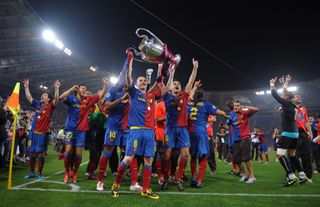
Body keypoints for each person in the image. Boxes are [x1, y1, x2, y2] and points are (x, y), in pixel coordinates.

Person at [110, 52, 170, 199]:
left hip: (150, 132)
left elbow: (162, 85)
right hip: (136, 131)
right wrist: (130, 59)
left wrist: (167, 68)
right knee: (129, 158)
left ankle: (146, 189)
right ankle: (115, 185)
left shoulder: (151, 95)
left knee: (149, 160)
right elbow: (129, 77)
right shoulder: (134, 92)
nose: (143, 81)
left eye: (144, 80)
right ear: (137, 84)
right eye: (140, 80)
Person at [59, 78, 109, 184]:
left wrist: (105, 85)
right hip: (70, 129)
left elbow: (100, 96)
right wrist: (71, 90)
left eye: (85, 89)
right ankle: (67, 172)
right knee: (68, 151)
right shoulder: (72, 99)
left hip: (82, 131)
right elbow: (61, 97)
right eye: (82, 88)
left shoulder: (88, 100)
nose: (84, 90)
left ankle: (75, 173)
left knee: (78, 153)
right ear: (78, 89)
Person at [161, 58, 199, 191]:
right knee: (167, 155)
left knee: (185, 154)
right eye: (174, 84)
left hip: (182, 129)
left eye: (178, 84)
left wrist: (194, 68)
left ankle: (177, 178)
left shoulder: (184, 96)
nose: (176, 85)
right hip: (170, 129)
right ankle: (165, 178)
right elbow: (166, 87)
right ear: (171, 87)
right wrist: (171, 74)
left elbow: (190, 82)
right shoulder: (167, 96)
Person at [188, 81, 228, 188]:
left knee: (193, 157)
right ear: (203, 96)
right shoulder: (206, 104)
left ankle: (193, 178)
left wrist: (194, 87)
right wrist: (225, 114)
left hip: (190, 133)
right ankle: (199, 180)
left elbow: (190, 96)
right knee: (203, 157)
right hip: (201, 133)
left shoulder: (188, 103)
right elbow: (219, 112)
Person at [269, 75, 308, 186]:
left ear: (286, 97)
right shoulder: (293, 106)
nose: (281, 96)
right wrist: (285, 83)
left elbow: (274, 94)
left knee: (280, 155)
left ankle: (291, 176)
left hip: (287, 134)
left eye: (283, 95)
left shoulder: (286, 103)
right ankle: (302, 175)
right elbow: (286, 93)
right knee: (292, 155)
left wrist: (272, 84)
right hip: (295, 134)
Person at [23, 79, 60, 179]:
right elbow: (29, 98)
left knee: (40, 155)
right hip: (33, 133)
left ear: (48, 99)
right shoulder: (38, 105)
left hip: (42, 133)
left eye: (44, 95)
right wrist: (26, 87)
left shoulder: (50, 106)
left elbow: (56, 100)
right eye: (42, 95)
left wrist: (57, 89)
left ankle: (39, 173)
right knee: (31, 154)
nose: (42, 96)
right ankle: (31, 172)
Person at [227, 101, 259, 183]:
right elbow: (229, 123)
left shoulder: (244, 112)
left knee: (246, 158)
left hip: (244, 137)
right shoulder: (231, 114)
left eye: (238, 105)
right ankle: (244, 175)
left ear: (240, 106)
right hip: (236, 139)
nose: (236, 107)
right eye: (235, 105)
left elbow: (256, 109)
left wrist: (244, 106)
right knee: (237, 159)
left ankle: (252, 176)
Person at [293, 95, 313, 181]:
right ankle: (292, 175)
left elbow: (306, 121)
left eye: (300, 96)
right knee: (294, 155)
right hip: (294, 132)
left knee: (307, 155)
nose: (299, 97)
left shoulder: (304, 109)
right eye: (297, 96)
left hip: (304, 134)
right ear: (292, 99)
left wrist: (310, 132)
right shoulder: (290, 107)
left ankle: (307, 176)